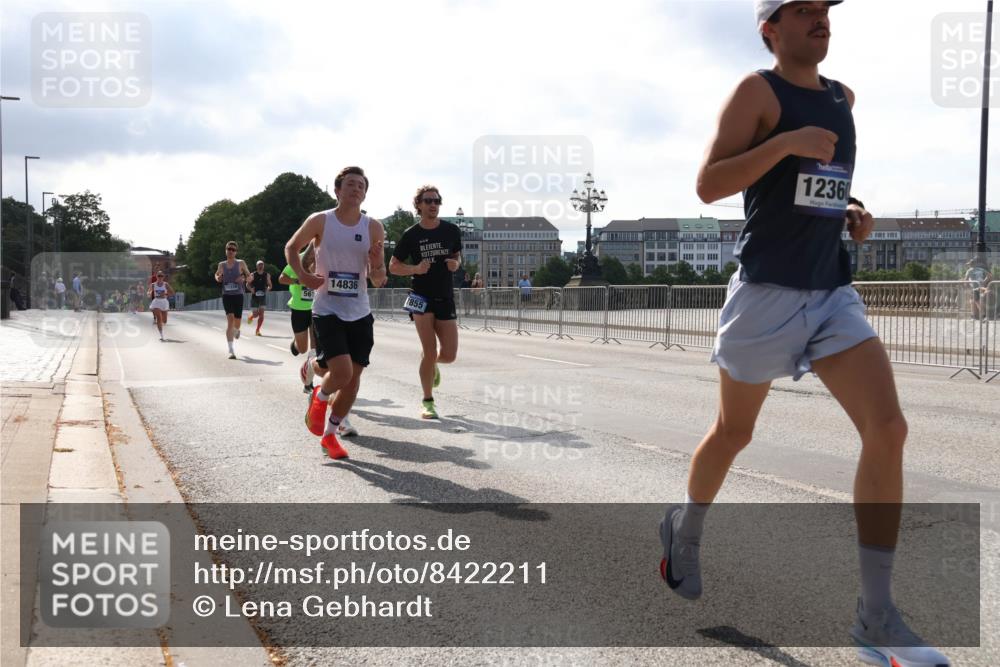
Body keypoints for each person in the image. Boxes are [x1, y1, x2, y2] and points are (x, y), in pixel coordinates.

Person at [658, 3, 951, 667]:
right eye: (804, 11)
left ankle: (876, 615)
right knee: (735, 432)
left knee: (889, 427)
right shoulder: (756, 92)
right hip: (765, 294)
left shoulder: (844, 98)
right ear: (771, 29)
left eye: (824, 10)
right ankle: (686, 523)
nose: (820, 19)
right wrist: (784, 143)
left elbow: (812, 187)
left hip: (830, 291)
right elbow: (708, 184)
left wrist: (847, 209)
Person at [285, 166, 386, 459]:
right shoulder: (321, 221)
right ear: (338, 190)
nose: (356, 189)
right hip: (328, 308)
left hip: (360, 310)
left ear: (365, 193)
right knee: (340, 372)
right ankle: (320, 396)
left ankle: (330, 435)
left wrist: (378, 265)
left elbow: (378, 280)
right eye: (351, 184)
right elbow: (292, 247)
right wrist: (303, 276)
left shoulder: (373, 227)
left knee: (353, 380)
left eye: (361, 186)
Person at [389, 185, 463, 420]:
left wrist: (456, 264)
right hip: (420, 297)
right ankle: (428, 401)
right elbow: (393, 266)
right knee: (429, 349)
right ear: (418, 205)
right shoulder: (411, 234)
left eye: (437, 201)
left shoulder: (451, 230)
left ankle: (430, 362)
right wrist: (415, 268)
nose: (433, 204)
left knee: (449, 355)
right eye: (428, 200)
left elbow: (456, 256)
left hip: (445, 295)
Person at [214, 241, 252, 359]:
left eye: (233, 250)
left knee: (237, 322)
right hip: (227, 295)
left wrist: (243, 278)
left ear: (236, 252)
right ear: (225, 250)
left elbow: (249, 276)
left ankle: (236, 330)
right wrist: (218, 278)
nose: (230, 251)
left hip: (238, 295)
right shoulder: (222, 264)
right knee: (230, 320)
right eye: (229, 249)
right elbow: (216, 275)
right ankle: (231, 350)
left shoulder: (240, 263)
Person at [246, 260, 273, 335]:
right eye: (259, 265)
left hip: (263, 297)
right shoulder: (253, 275)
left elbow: (270, 285)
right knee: (255, 315)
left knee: (261, 314)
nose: (261, 266)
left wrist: (268, 288)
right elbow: (247, 284)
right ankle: (251, 316)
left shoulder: (267, 275)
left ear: (264, 266)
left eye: (262, 265)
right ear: (257, 266)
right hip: (254, 297)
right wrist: (251, 289)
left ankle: (257, 330)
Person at [147, 271, 174, 342]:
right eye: (158, 276)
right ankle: (161, 336)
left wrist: (165, 294)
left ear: (163, 277)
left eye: (161, 276)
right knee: (159, 318)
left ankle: (161, 323)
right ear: (156, 276)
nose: (160, 277)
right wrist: (149, 293)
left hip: (164, 302)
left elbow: (172, 293)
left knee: (164, 321)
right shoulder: (153, 284)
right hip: (156, 302)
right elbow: (149, 291)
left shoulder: (166, 284)